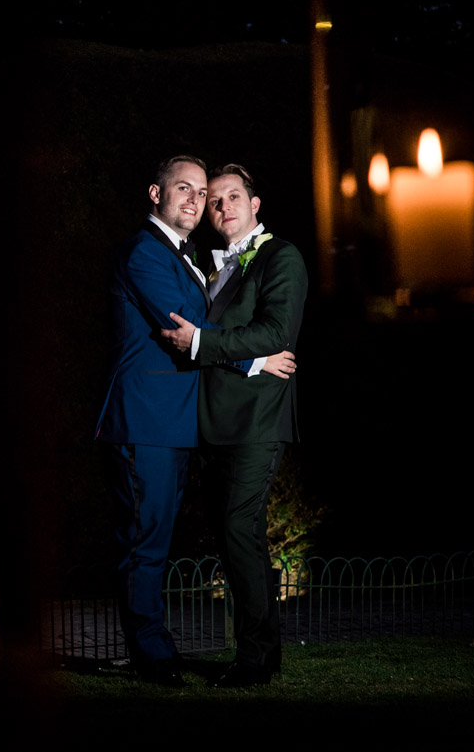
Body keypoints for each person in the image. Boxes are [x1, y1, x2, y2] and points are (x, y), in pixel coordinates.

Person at [95, 155, 295, 686]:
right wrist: (254, 358)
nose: (196, 199)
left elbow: (206, 328)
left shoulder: (190, 257)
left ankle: (160, 648)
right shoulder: (144, 253)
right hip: (146, 420)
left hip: (180, 424)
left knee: (158, 541)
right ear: (155, 194)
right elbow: (183, 328)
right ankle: (153, 657)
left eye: (201, 192)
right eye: (183, 188)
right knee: (145, 543)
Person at [161, 162, 307, 688]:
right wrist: (251, 357)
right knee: (234, 539)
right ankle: (263, 652)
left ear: (255, 204)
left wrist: (203, 343)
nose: (222, 208)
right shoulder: (207, 262)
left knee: (239, 531)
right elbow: (254, 344)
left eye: (232, 198)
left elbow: (274, 330)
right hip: (213, 423)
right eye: (214, 200)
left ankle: (253, 658)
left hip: (256, 422)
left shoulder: (281, 257)